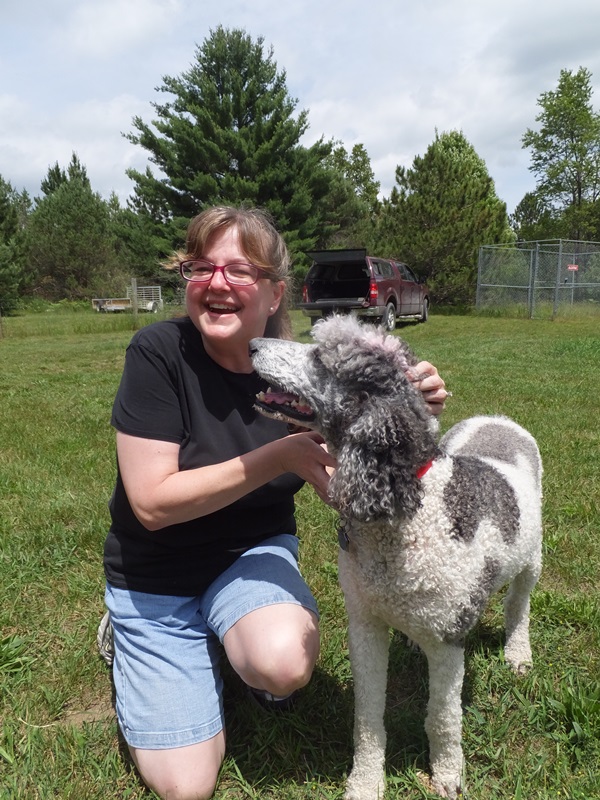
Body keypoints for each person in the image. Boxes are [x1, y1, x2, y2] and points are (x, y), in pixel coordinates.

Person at [99, 206, 449, 800]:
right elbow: (152, 504)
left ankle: (237, 641)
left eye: (238, 270)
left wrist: (411, 405)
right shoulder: (159, 353)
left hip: (250, 556)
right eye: (201, 267)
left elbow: (363, 457)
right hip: (155, 577)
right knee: (186, 787)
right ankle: (131, 634)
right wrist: (280, 456)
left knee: (282, 664)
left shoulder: (301, 369)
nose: (216, 283)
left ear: (274, 292)